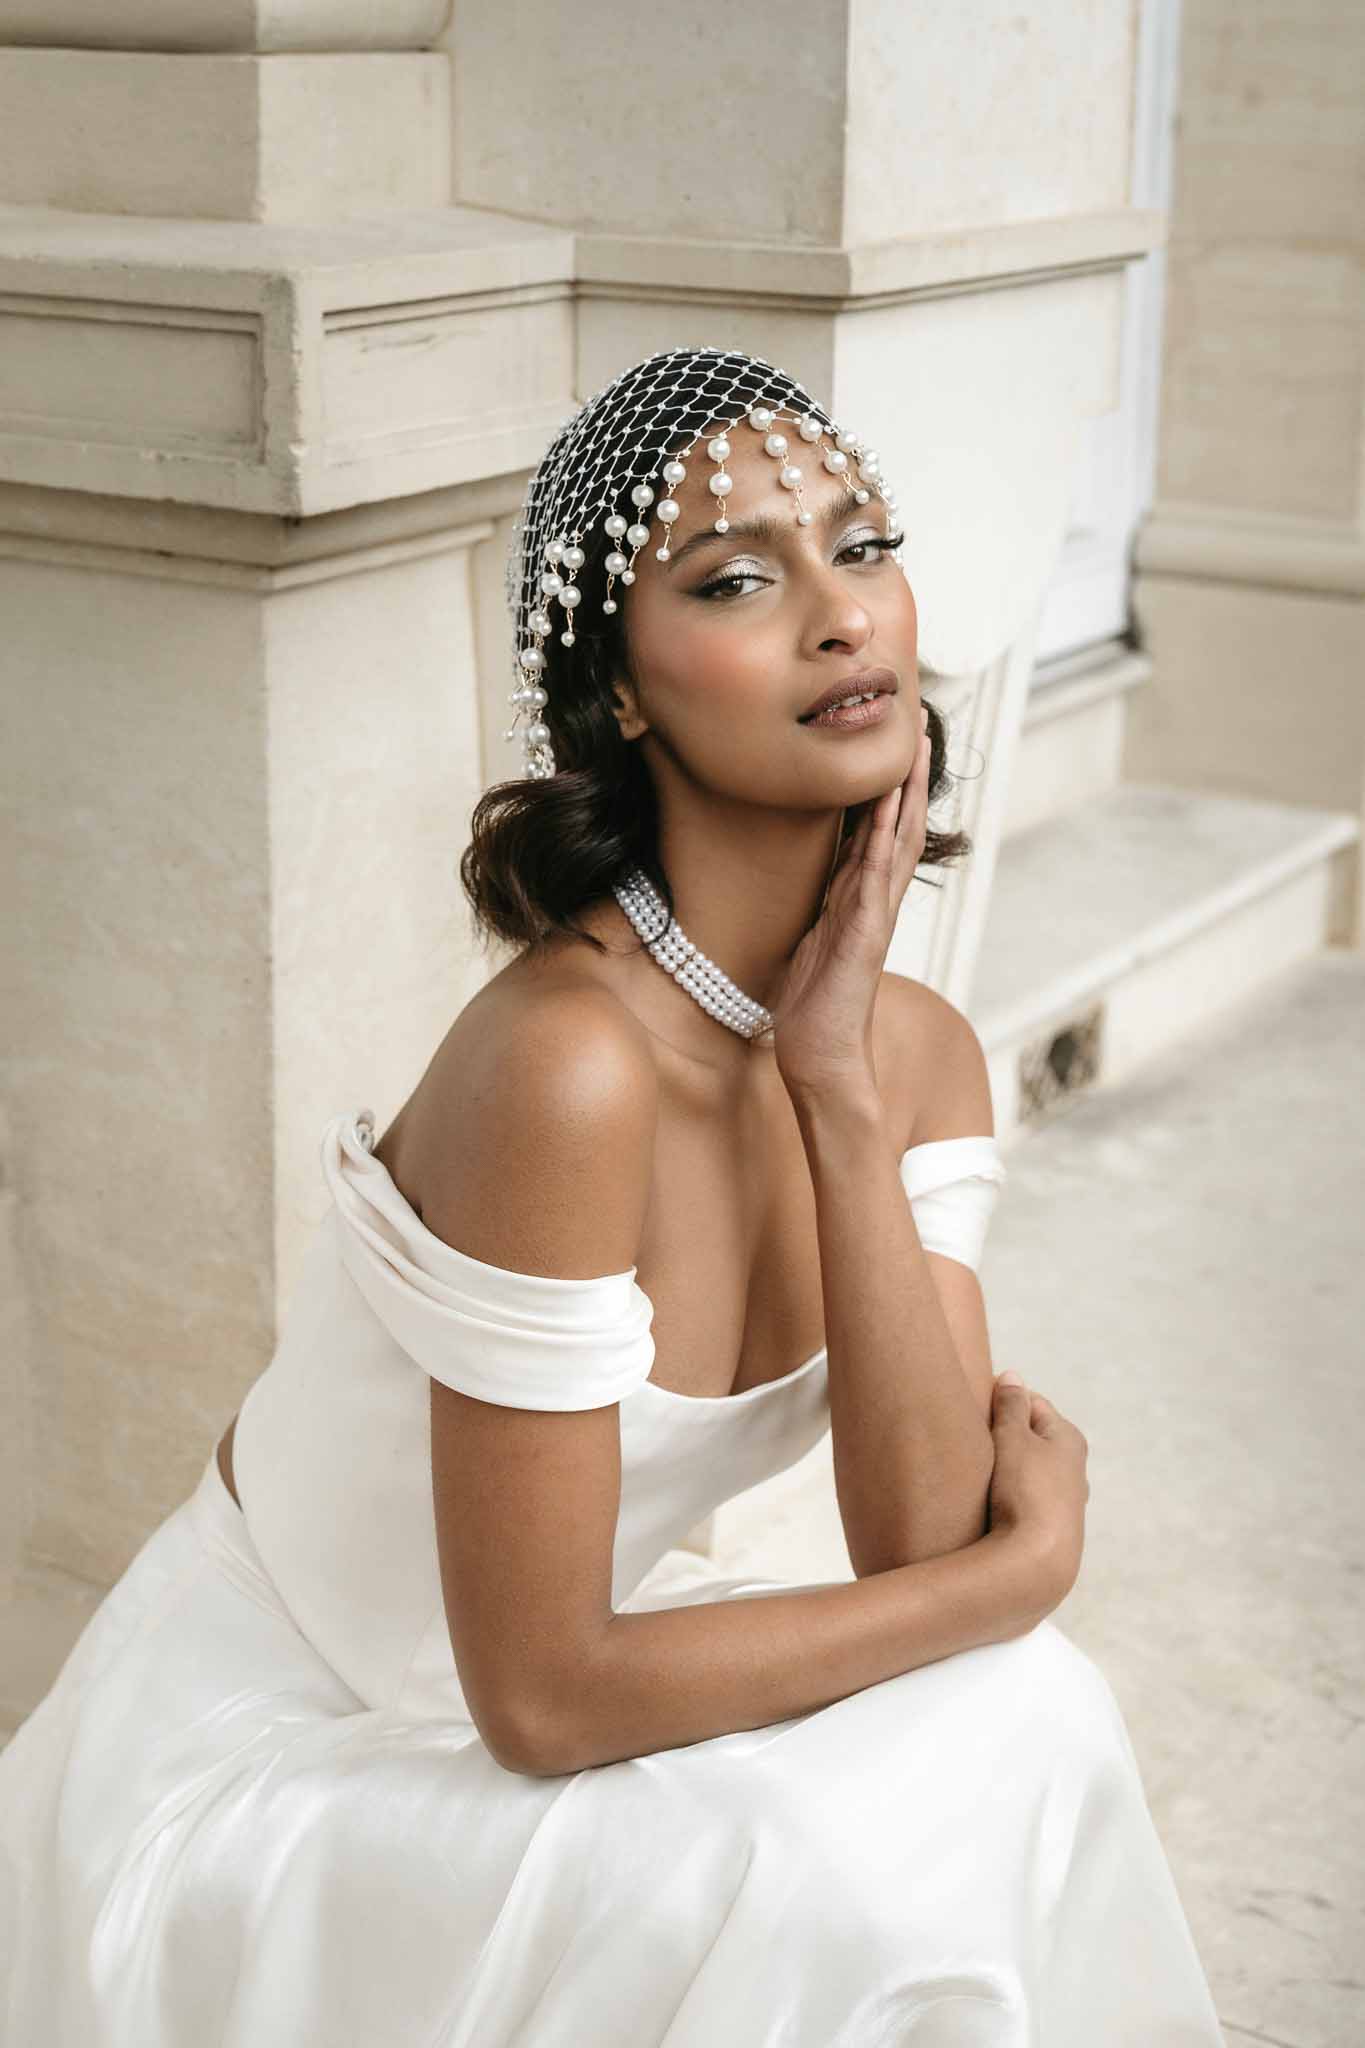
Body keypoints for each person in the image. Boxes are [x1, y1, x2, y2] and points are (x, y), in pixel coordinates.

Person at [0, 346, 1226, 2045]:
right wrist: (1018, 1576)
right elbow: (544, 1695)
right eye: (735, 578)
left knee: (1033, 1721)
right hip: (283, 1754)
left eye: (858, 544)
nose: (837, 614)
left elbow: (913, 1542)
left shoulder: (907, 1054)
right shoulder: (562, 1066)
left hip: (530, 1711)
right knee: (832, 1861)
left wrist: (836, 1095)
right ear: (622, 694)